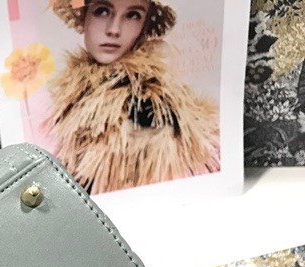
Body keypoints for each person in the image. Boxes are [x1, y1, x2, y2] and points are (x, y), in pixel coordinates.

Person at [44, 0, 219, 194]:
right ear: (84, 15)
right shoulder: (79, 92)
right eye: (102, 11)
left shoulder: (145, 106)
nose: (114, 30)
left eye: (133, 15)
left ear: (144, 24)